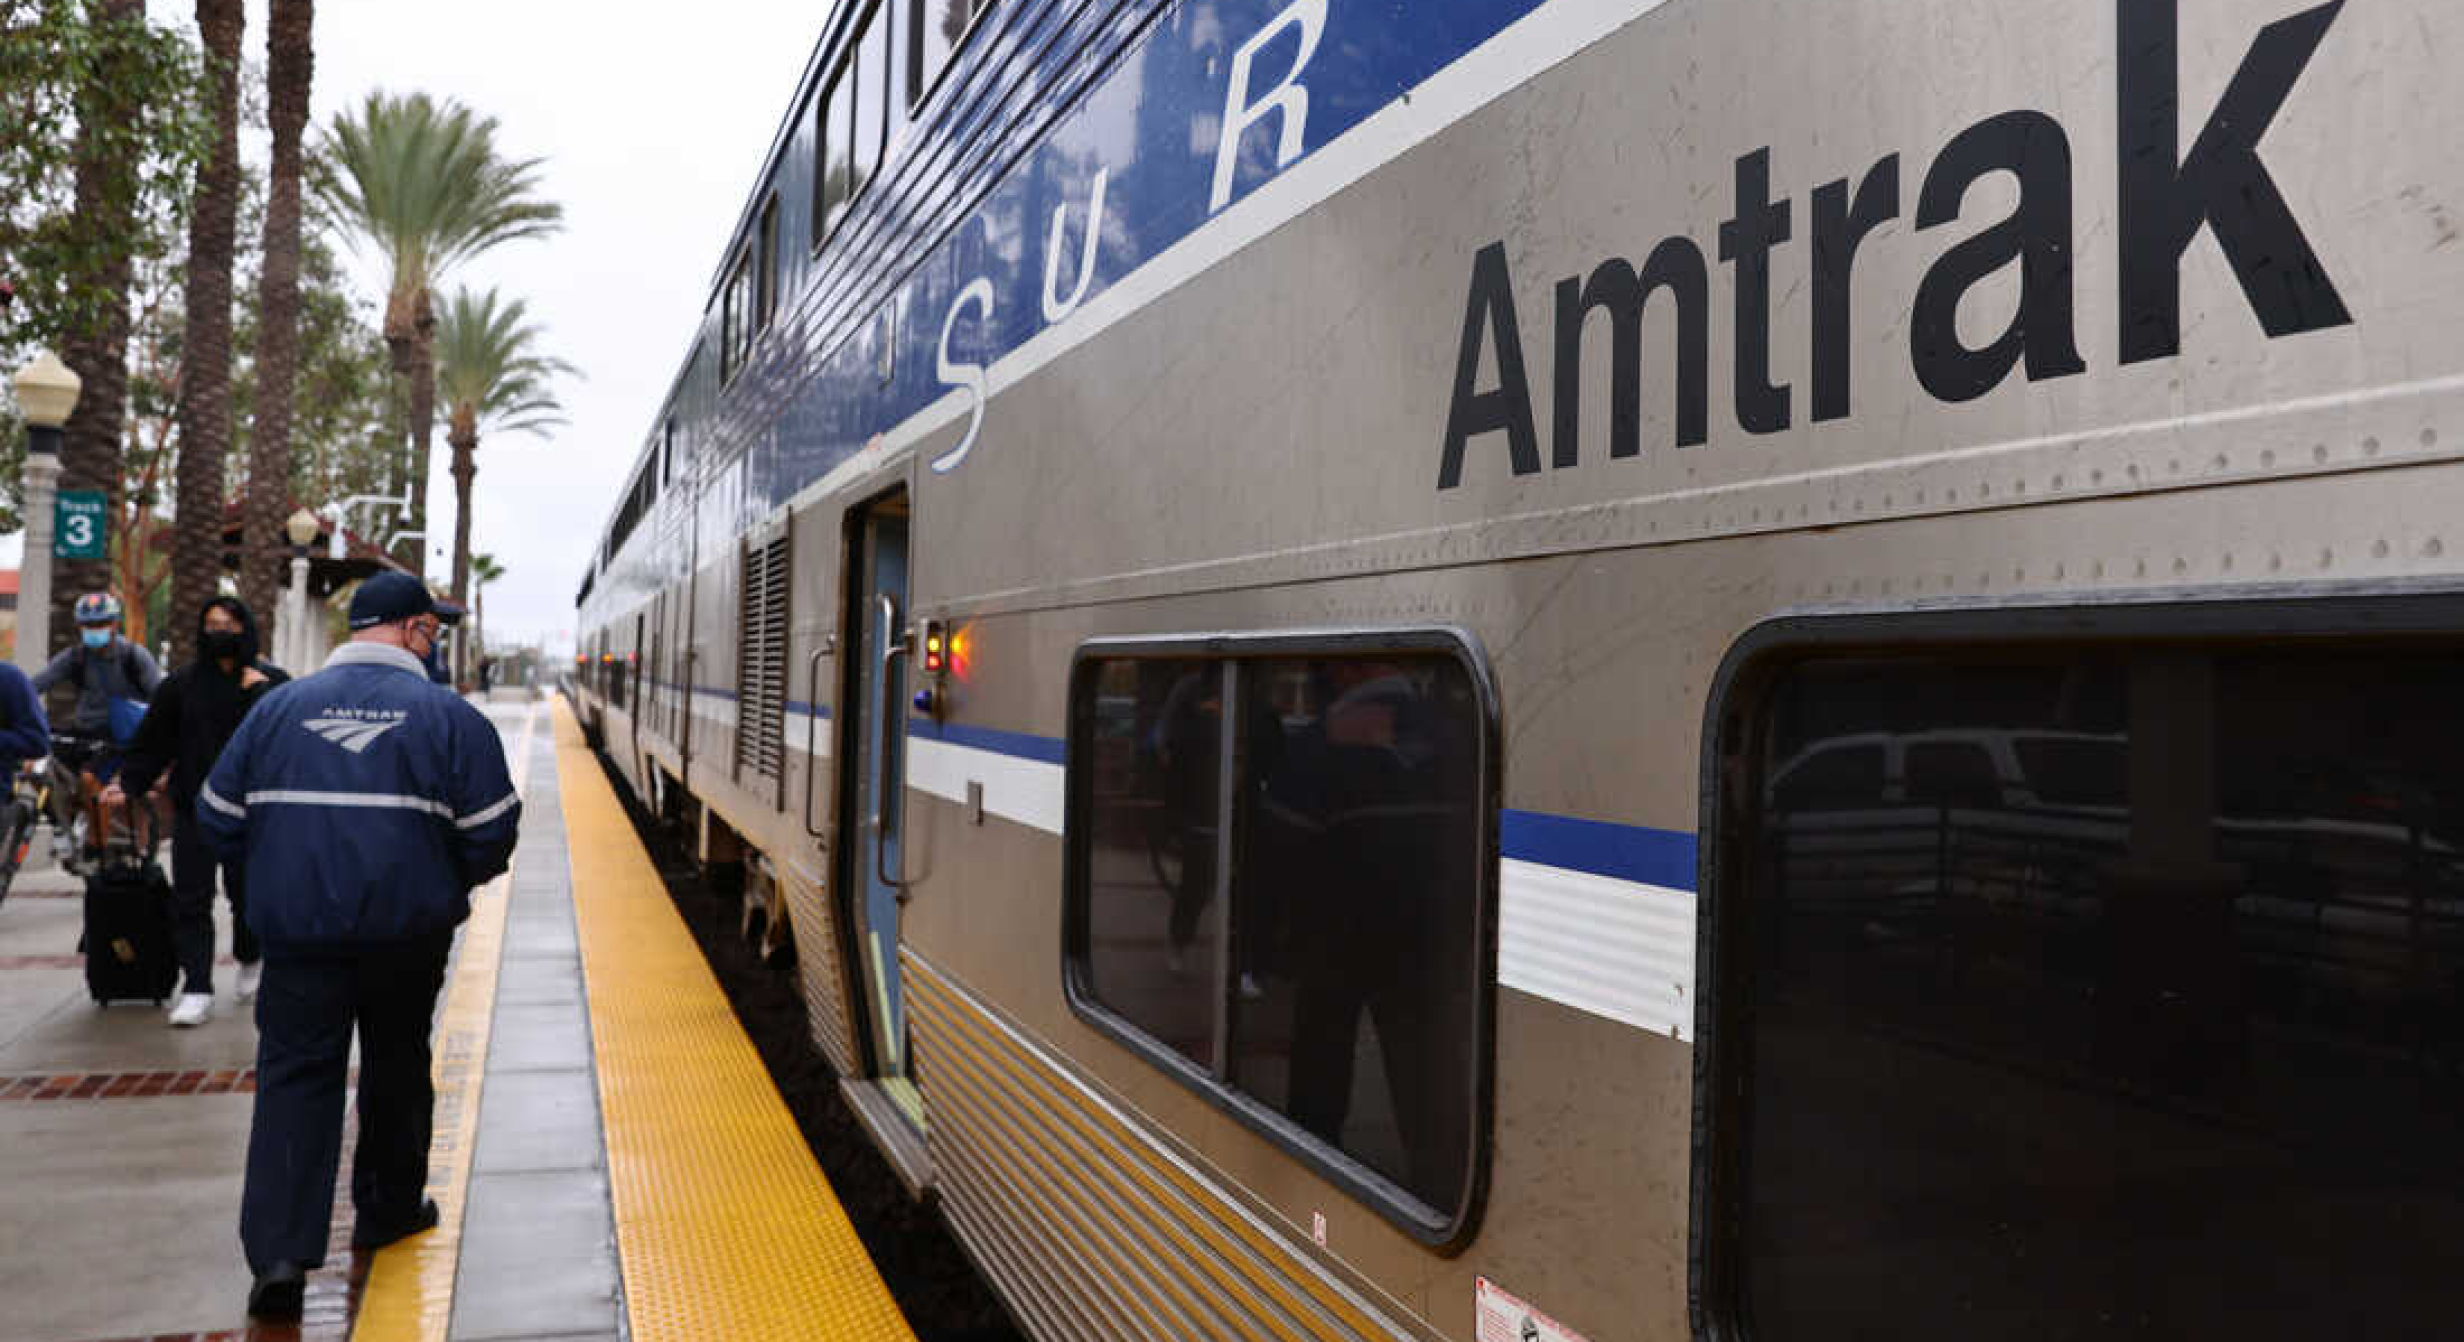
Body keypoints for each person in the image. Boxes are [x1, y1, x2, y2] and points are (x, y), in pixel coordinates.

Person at [198, 572, 521, 1320]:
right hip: (405, 940)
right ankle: (387, 1209)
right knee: (397, 1067)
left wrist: (281, 867)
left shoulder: (275, 710)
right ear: (411, 631)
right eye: (431, 627)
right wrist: (436, 881)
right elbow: (492, 835)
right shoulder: (450, 719)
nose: (434, 639)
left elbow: (217, 818)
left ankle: (280, 1260)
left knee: (296, 1081)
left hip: (298, 939)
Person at [109, 597, 288, 1027]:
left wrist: (259, 691)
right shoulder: (181, 685)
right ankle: (197, 986)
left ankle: (249, 957)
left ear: (246, 629)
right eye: (212, 624)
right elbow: (154, 741)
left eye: (229, 624)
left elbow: (284, 740)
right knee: (190, 899)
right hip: (195, 809)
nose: (220, 632)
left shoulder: (273, 682)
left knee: (247, 897)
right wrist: (128, 783)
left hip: (251, 816)